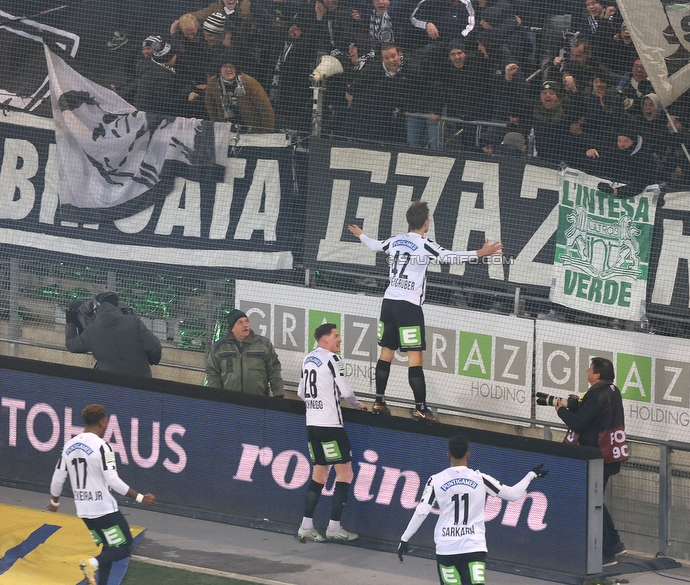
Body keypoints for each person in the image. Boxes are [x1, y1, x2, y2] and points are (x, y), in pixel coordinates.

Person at [347, 201, 503, 421]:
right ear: (426, 221)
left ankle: (379, 401)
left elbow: (375, 245)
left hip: (388, 303)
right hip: (409, 307)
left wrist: (361, 234)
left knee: (386, 353)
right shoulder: (424, 244)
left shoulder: (395, 240)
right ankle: (420, 407)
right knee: (415, 357)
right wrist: (481, 252)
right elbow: (450, 257)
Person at [396, 435, 548, 584]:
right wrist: (531, 475)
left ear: (448, 454)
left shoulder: (435, 480)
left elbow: (422, 511)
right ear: (468, 454)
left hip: (447, 548)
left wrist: (405, 538)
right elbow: (513, 495)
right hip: (474, 547)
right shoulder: (480, 479)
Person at [47, 404, 156, 585]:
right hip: (104, 509)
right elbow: (112, 480)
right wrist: (140, 498)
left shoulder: (68, 446)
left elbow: (58, 478)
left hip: (84, 511)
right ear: (102, 422)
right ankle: (92, 563)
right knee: (125, 547)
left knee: (109, 546)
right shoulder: (103, 447)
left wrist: (55, 501)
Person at [296, 322, 368, 543]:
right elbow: (345, 391)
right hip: (331, 426)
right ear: (324, 339)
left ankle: (306, 526)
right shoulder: (332, 359)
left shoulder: (308, 358)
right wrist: (358, 405)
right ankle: (334, 527)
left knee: (319, 475)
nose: (340, 339)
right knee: (345, 474)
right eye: (336, 336)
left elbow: (300, 392)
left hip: (312, 424)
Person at [553, 356, 628, 566]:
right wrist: (580, 404)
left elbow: (579, 424)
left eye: (589, 368)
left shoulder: (596, 395)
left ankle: (606, 554)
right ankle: (613, 544)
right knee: (594, 500)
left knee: (591, 502)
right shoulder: (612, 390)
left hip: (597, 456)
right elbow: (594, 416)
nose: (586, 370)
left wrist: (562, 410)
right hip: (610, 455)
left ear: (596, 374)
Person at [65, 292, 162, 378]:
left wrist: (70, 323)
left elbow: (72, 346)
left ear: (96, 308)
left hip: (110, 382)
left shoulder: (92, 331)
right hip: (141, 379)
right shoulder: (133, 321)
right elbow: (154, 345)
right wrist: (153, 360)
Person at [205, 309, 285, 396]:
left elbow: (274, 371)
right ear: (232, 328)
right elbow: (212, 373)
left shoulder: (264, 345)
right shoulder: (219, 347)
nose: (245, 325)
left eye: (246, 321)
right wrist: (215, 396)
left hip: (258, 400)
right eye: (240, 322)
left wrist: (279, 394)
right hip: (228, 401)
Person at [204, 58, 276, 131]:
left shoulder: (249, 82)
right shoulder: (213, 83)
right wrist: (217, 128)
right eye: (225, 66)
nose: (229, 69)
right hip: (225, 128)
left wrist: (267, 133)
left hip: (251, 128)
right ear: (219, 69)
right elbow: (211, 109)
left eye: (231, 66)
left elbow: (266, 110)